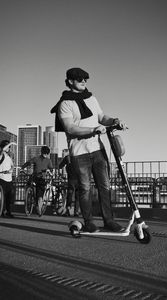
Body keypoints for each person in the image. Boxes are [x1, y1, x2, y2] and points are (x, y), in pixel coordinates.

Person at [51, 67, 126, 232]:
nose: (84, 81)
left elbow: (101, 117)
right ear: (70, 81)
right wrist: (93, 130)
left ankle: (109, 221)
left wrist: (114, 120)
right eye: (80, 79)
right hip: (79, 153)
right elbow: (70, 128)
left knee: (105, 186)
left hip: (98, 149)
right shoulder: (65, 104)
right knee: (85, 188)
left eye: (86, 78)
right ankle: (89, 222)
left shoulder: (91, 98)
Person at [20, 146, 53, 215]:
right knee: (40, 194)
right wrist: (49, 172)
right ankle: (38, 207)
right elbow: (51, 169)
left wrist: (22, 168)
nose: (46, 155)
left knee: (31, 185)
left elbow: (28, 163)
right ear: (46, 153)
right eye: (46, 153)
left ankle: (30, 196)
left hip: (35, 177)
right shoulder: (47, 160)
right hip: (40, 178)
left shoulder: (37, 158)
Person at [59, 150, 80, 217]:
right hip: (79, 179)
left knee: (70, 196)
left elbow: (60, 166)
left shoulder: (67, 157)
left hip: (71, 180)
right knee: (77, 197)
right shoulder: (80, 157)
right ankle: (76, 212)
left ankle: (68, 211)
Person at [0, 140, 15, 218]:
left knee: (9, 197)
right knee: (2, 197)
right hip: (2, 178)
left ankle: (8, 212)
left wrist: (11, 170)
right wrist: (11, 143)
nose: (9, 148)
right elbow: (2, 150)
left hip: (9, 179)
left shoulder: (9, 157)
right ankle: (2, 212)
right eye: (8, 147)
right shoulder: (1, 155)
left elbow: (12, 165)